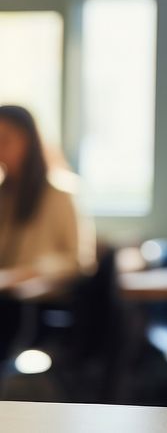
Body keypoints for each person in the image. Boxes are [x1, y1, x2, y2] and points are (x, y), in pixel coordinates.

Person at [0, 104, 95, 361]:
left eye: (6, 140)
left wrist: (27, 273)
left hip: (35, 305)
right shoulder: (4, 195)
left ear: (29, 141)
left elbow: (78, 260)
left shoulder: (60, 193)